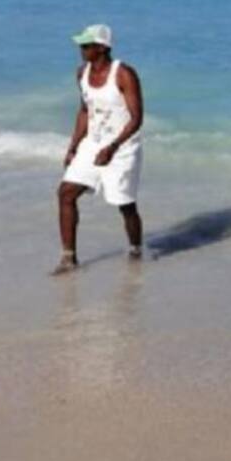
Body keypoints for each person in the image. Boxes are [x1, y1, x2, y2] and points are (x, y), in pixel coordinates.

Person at [54, 24, 145, 275]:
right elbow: (85, 111)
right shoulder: (81, 73)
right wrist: (73, 146)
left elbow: (136, 118)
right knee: (65, 193)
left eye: (86, 45)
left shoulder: (124, 74)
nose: (81, 49)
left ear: (102, 47)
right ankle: (68, 258)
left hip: (122, 147)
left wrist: (113, 147)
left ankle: (136, 248)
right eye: (81, 45)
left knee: (125, 205)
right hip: (91, 144)